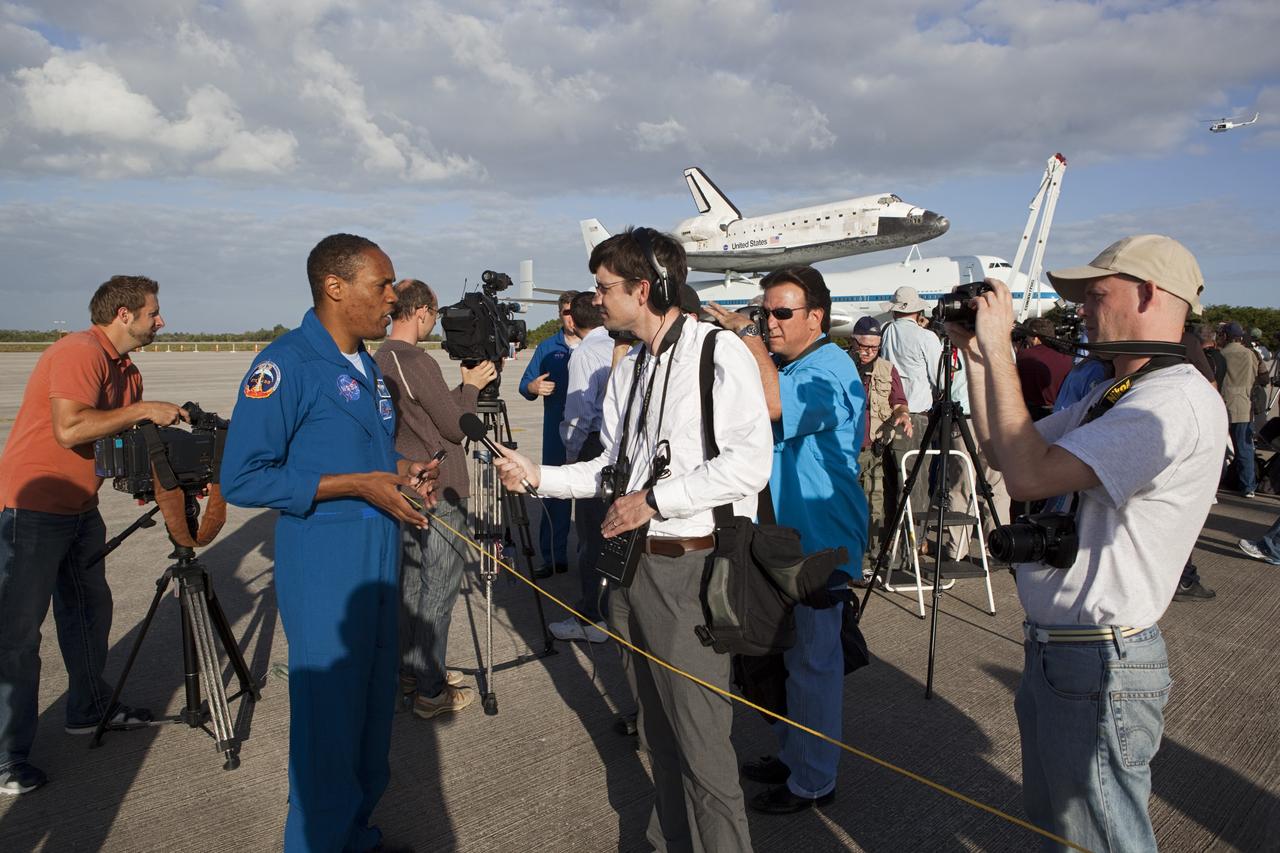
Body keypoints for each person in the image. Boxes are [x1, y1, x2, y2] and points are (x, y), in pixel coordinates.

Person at [493, 227, 772, 852]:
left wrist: (654, 501)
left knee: (702, 746)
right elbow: (610, 472)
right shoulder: (633, 367)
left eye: (605, 287)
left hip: (689, 570)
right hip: (631, 573)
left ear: (643, 288)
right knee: (659, 736)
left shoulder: (717, 353)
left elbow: (749, 465)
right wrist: (538, 476)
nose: (597, 299)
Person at [948, 234, 1226, 851]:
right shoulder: (1116, 392)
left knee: (1099, 837)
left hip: (1101, 659)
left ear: (1150, 293)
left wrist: (1001, 349)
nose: (1082, 311)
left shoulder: (1170, 401)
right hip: (1063, 650)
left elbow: (1028, 477)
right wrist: (976, 357)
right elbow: (1002, 450)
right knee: (1061, 830)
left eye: (1096, 295)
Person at [221, 234, 438, 853]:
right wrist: (357, 485)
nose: (393, 298)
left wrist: (400, 471)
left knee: (371, 717)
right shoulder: (285, 364)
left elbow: (366, 455)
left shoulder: (367, 368)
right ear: (335, 287)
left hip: (377, 558)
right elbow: (242, 476)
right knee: (328, 726)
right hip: (323, 566)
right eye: (383, 285)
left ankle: (356, 835)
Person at [0, 276, 185, 795]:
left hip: (81, 508)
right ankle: (5, 755)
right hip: (31, 510)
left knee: (88, 612)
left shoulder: (129, 372)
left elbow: (115, 442)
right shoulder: (79, 350)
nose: (161, 320)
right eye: (154, 311)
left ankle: (87, 707)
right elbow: (71, 428)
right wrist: (145, 411)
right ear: (124, 314)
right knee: (16, 635)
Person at [706, 266, 868, 814]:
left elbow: (775, 405)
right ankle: (794, 754)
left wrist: (744, 337)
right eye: (763, 313)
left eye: (781, 314)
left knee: (814, 666)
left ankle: (814, 781)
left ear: (815, 317)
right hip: (780, 537)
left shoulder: (831, 367)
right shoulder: (786, 362)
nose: (769, 325)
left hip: (818, 540)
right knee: (781, 660)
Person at [374, 279, 496, 718]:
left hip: (406, 484)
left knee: (412, 584)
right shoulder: (414, 359)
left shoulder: (380, 358)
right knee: (439, 587)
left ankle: (415, 670)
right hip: (439, 485)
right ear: (422, 310)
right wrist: (471, 386)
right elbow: (455, 426)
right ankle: (430, 692)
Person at [552, 291, 614, 643]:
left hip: (593, 447)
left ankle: (593, 617)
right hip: (619, 449)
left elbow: (578, 415)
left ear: (572, 321)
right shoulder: (618, 347)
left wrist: (572, 459)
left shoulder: (585, 354)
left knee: (591, 537)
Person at [519, 291, 579, 577]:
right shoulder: (547, 347)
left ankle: (591, 556)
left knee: (595, 502)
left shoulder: (601, 345)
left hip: (591, 435)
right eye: (566, 312)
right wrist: (533, 388)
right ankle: (552, 557)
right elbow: (524, 384)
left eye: (575, 312)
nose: (571, 318)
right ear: (560, 314)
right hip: (556, 436)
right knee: (553, 495)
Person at [845, 316, 911, 578]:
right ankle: (850, 557)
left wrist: (902, 415)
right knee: (848, 505)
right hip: (845, 450)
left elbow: (899, 401)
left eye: (874, 348)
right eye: (863, 347)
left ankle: (871, 557)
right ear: (853, 342)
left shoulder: (886, 368)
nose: (868, 353)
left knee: (875, 505)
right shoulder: (840, 365)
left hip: (875, 448)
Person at [879, 285, 943, 514]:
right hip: (915, 413)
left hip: (889, 409)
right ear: (918, 312)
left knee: (892, 477)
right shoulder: (926, 337)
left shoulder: (887, 331)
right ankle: (913, 537)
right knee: (916, 477)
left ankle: (891, 534)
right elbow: (942, 378)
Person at [1220, 321, 1261, 497]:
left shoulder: (1221, 354)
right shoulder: (1249, 354)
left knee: (1219, 448)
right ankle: (1248, 486)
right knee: (1244, 447)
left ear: (1226, 336)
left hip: (1223, 402)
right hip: (1244, 404)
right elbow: (1259, 377)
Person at [1016, 317, 1075, 420]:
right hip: (1062, 413)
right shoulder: (1068, 356)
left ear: (1035, 336)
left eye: (1028, 336)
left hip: (1033, 415)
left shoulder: (1025, 356)